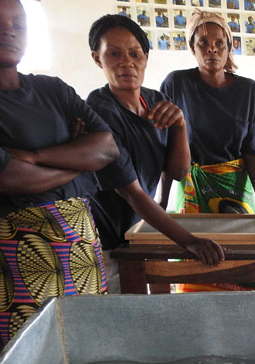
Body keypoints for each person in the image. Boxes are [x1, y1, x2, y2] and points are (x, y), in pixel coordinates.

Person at [0, 0, 120, 362]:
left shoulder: (53, 89)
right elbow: (2, 176)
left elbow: (107, 147)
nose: (9, 29)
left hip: (80, 247)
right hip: (14, 256)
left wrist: (32, 156)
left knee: (91, 361)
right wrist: (75, 156)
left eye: (18, 21)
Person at [86, 14, 224, 293]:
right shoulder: (100, 111)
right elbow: (131, 192)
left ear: (146, 57)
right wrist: (189, 241)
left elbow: (179, 171)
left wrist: (180, 126)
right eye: (114, 54)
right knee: (122, 313)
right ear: (98, 59)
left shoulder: (156, 101)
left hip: (144, 230)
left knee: (158, 303)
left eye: (135, 53)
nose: (127, 62)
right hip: (107, 242)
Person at [160, 10, 255, 215]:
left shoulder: (249, 91)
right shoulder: (176, 84)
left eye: (219, 44)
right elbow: (165, 146)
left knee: (237, 241)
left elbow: (254, 152)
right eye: (203, 43)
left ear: (229, 47)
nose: (212, 50)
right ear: (192, 47)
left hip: (235, 192)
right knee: (193, 244)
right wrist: (161, 203)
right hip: (191, 188)